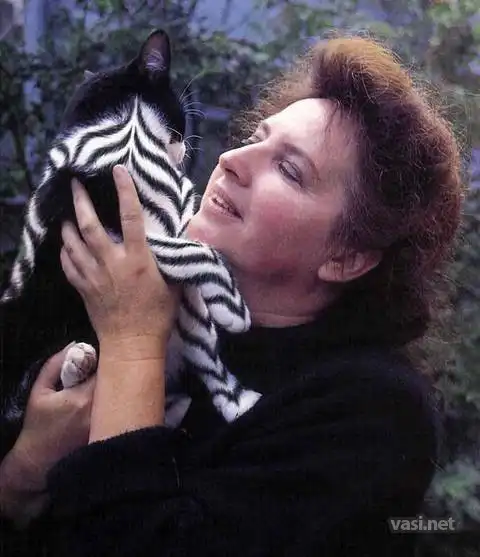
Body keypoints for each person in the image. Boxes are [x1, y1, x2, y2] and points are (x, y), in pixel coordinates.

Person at [0, 35, 463, 556]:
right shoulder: (160, 297)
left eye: (289, 170)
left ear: (346, 257)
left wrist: (132, 343)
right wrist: (22, 473)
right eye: (255, 138)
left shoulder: (376, 413)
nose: (232, 159)